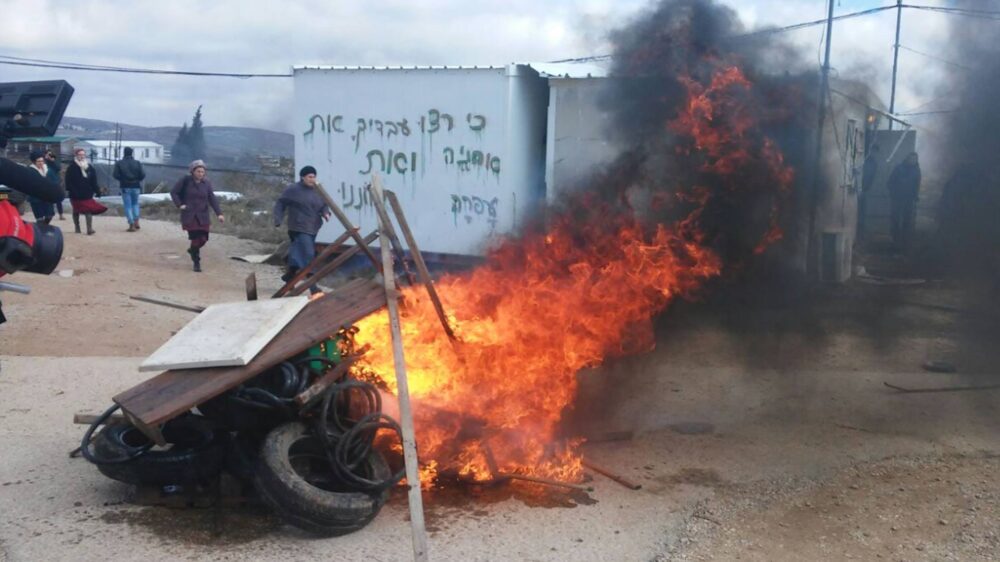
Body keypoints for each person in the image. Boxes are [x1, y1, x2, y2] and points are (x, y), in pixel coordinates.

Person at [273, 165, 330, 290]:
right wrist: (278, 219)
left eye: (314, 177)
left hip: (313, 227)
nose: (312, 179)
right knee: (308, 254)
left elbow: (324, 205)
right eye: (310, 177)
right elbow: (281, 203)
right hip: (297, 227)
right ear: (302, 177)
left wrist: (326, 213)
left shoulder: (318, 190)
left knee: (299, 253)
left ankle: (290, 275)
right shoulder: (293, 190)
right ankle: (313, 287)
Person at [170, 160, 224, 272]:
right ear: (193, 171)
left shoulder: (207, 183)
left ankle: (192, 250)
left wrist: (219, 213)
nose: (201, 174)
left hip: (203, 215)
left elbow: (212, 198)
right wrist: (180, 205)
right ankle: (196, 262)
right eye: (198, 171)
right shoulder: (185, 181)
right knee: (195, 238)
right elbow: (174, 192)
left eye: (202, 172)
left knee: (203, 239)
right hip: (190, 215)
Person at [65, 148, 108, 235]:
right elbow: (68, 182)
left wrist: (97, 191)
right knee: (76, 210)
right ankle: (77, 228)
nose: (81, 156)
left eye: (83, 154)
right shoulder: (71, 167)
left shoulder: (90, 168)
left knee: (88, 210)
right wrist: (72, 191)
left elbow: (94, 181)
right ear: (76, 156)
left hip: (87, 193)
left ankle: (89, 229)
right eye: (80, 154)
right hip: (75, 194)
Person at [886, 151, 921, 251]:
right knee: (895, 219)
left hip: (909, 200)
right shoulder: (899, 168)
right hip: (898, 199)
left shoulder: (917, 170)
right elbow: (890, 182)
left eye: (915, 159)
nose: (913, 161)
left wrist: (915, 196)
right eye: (911, 158)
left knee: (907, 220)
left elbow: (917, 184)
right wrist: (894, 194)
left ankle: (905, 242)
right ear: (907, 158)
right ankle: (895, 239)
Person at [113, 146, 146, 232]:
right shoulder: (137, 163)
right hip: (136, 186)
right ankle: (136, 221)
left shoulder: (119, 163)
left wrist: (122, 179)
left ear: (124, 153)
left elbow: (115, 175)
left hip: (125, 186)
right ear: (132, 153)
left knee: (128, 205)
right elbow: (142, 175)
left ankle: (131, 224)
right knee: (135, 204)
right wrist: (137, 180)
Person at [26, 151, 56, 224]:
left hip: (47, 197)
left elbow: (55, 180)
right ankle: (41, 231)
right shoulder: (30, 171)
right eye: (38, 161)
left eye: (42, 161)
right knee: (40, 218)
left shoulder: (48, 170)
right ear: (34, 162)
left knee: (50, 215)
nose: (41, 163)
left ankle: (44, 227)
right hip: (35, 198)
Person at [857, 144, 880, 241]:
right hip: (861, 188)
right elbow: (865, 175)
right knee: (860, 211)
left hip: (864, 189)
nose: (874, 154)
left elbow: (870, 177)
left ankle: (860, 233)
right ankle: (860, 233)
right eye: (873, 151)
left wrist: (865, 188)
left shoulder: (873, 163)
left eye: (876, 152)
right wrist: (863, 188)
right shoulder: (866, 161)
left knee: (862, 211)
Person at [44, 150, 65, 221]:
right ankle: (49, 214)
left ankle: (61, 214)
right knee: (48, 200)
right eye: (48, 154)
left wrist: (52, 161)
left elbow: (58, 168)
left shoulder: (54, 162)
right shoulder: (43, 162)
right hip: (47, 183)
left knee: (58, 199)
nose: (49, 156)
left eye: (51, 154)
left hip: (55, 183)